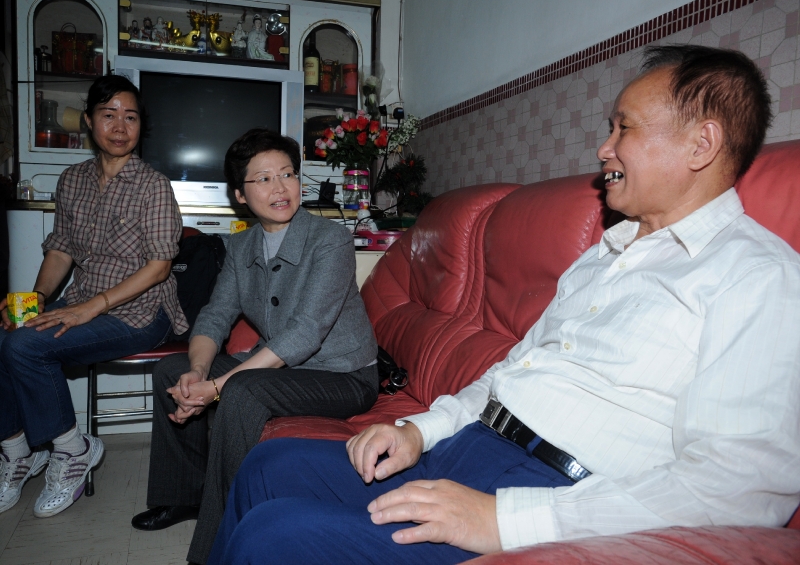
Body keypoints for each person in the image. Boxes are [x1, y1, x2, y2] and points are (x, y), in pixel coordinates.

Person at [208, 45, 800, 564]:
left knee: (273, 535)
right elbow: (510, 371)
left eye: (625, 129)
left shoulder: (756, 276)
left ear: (702, 143)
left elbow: (741, 487)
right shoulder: (602, 255)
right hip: (469, 446)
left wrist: (506, 520)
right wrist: (419, 430)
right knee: (269, 466)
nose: (604, 146)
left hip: (551, 492)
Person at [130, 128, 379, 565]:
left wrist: (220, 385)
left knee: (241, 391)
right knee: (170, 371)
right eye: (263, 178)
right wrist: (198, 370)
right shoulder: (240, 245)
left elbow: (306, 331)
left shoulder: (331, 240)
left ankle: (217, 543)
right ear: (240, 195)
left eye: (287, 174)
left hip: (343, 375)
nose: (280, 187)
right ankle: (183, 496)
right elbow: (215, 315)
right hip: (283, 368)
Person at [0, 74, 187, 519]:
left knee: (26, 347)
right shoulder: (72, 180)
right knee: (7, 333)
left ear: (142, 126)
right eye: (109, 115)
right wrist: (38, 297)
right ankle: (17, 450)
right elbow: (61, 248)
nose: (120, 127)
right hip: (84, 300)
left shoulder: (153, 186)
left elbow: (159, 267)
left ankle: (72, 450)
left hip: (142, 312)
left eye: (131, 117)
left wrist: (90, 308)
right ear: (89, 121)